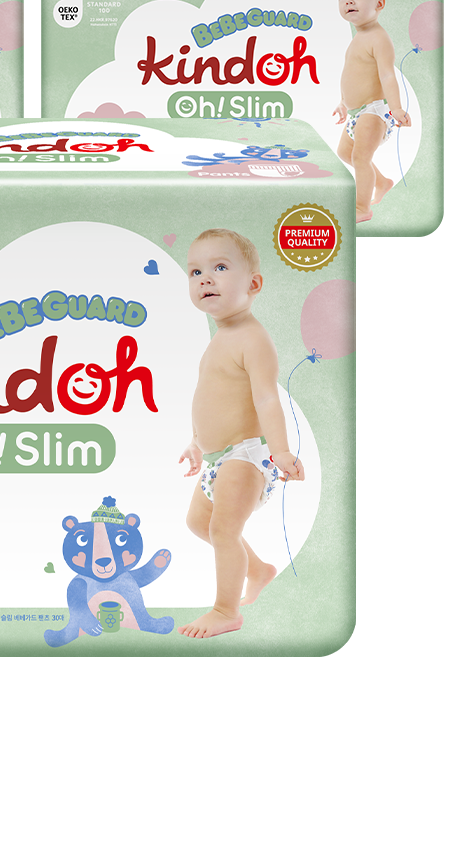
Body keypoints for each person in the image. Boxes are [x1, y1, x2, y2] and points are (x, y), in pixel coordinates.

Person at [177, 229, 303, 637]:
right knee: (199, 522)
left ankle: (225, 610)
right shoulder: (220, 337)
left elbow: (266, 399)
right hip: (218, 459)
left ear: (254, 284)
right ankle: (259, 569)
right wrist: (196, 442)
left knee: (223, 530)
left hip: (245, 457)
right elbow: (212, 399)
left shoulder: (252, 337)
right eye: (195, 272)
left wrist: (282, 452)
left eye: (219, 267)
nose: (205, 279)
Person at [332, 0, 411, 222]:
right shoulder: (357, 38)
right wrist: (343, 102)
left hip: (374, 111)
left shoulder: (378, 38)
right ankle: (382, 182)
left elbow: (387, 75)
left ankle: (361, 208)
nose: (349, 0)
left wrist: (396, 108)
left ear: (379, 4)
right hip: (356, 113)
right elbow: (352, 75)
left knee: (360, 158)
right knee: (345, 153)